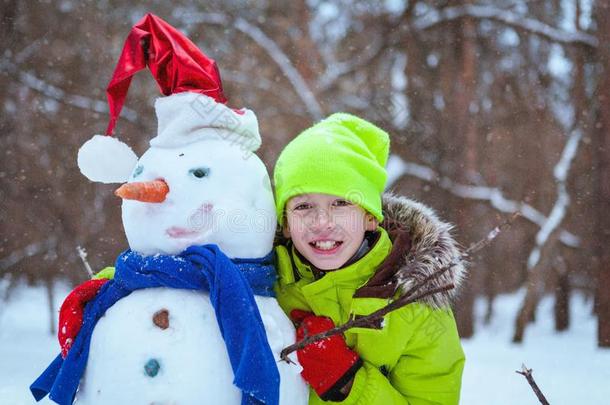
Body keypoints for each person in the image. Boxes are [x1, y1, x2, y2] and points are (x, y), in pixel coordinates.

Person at [272, 113, 465, 404]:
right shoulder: (267, 288)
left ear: (370, 217)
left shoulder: (416, 306)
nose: (321, 221)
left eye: (340, 203)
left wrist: (348, 384)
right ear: (286, 223)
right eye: (303, 206)